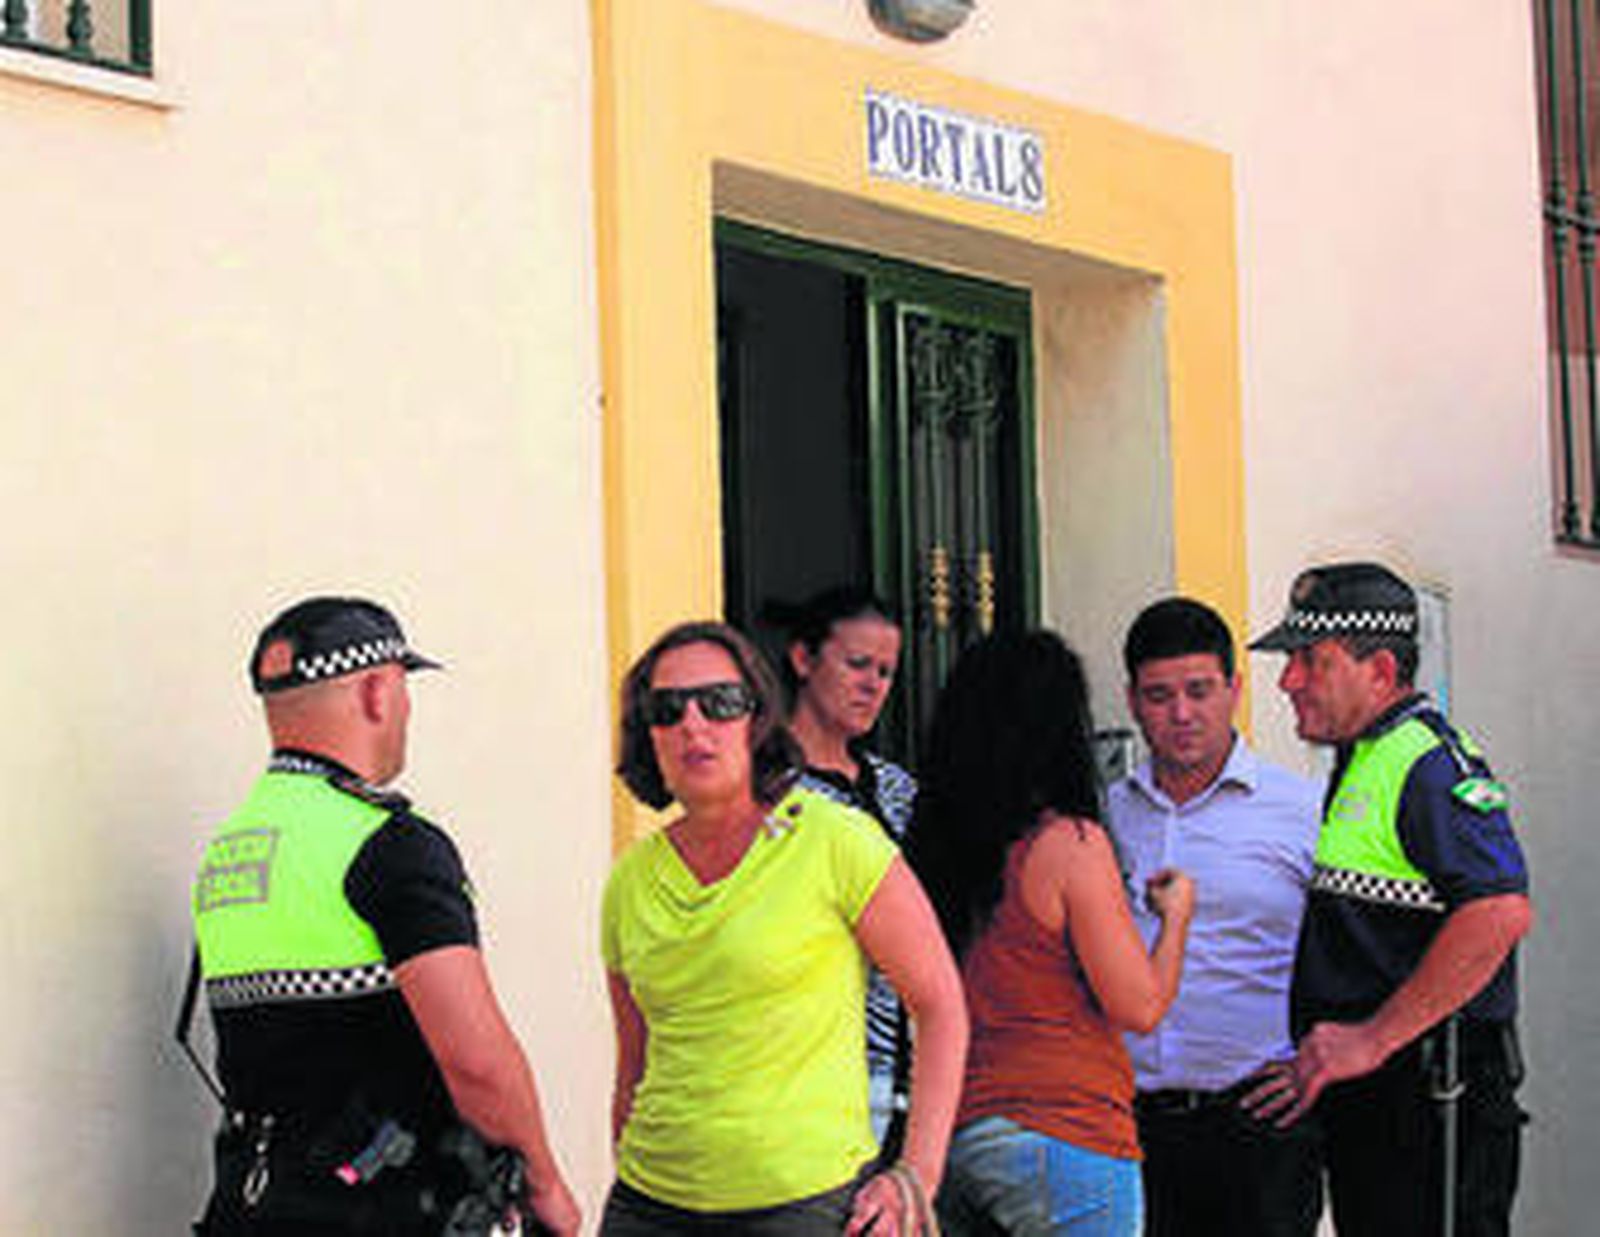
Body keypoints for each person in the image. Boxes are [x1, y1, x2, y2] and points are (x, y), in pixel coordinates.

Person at [190, 597, 579, 1236]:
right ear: (377, 691)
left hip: (250, 1208)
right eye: (403, 689)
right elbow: (475, 1060)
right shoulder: (389, 844)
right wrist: (546, 1183)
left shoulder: (230, 853)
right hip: (379, 1211)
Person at [600, 620, 968, 1235]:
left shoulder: (834, 840)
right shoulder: (629, 881)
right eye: (667, 710)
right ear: (649, 737)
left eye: (719, 703)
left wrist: (916, 1177)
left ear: (756, 720)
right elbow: (634, 1066)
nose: (694, 725)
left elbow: (940, 1005)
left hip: (804, 1207)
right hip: (650, 1206)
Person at [1245, 562, 1532, 1237]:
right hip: (1384, 1116)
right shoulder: (1365, 757)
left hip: (1432, 1108)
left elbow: (1499, 909)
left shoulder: (1427, 761)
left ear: (1378, 668)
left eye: (1310, 660)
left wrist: (1373, 1038)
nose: (1288, 680)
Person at [908, 630, 1195, 1237]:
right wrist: (1176, 919)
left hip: (959, 1130)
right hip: (1066, 1128)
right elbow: (1139, 1005)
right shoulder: (1068, 845)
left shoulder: (938, 850)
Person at [1105, 598, 1322, 1237]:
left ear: (1234, 687)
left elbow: (1353, 950)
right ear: (1131, 701)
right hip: (1130, 1126)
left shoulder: (1303, 811)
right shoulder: (1104, 817)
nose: (1181, 715)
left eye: (1199, 691)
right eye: (1158, 695)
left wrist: (1316, 1059)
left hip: (1259, 1127)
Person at [767, 586, 916, 1145]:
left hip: (905, 1074)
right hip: (812, 1074)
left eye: (886, 671)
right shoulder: (765, 790)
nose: (872, 685)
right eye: (857, 664)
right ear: (804, 660)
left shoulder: (899, 790)